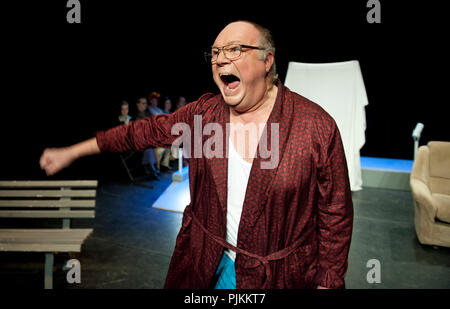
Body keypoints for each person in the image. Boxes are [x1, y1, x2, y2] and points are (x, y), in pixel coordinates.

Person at [39, 21, 353, 289]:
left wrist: (328, 281)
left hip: (276, 276)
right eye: (215, 53)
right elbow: (141, 132)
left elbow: (335, 214)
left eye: (234, 49)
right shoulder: (204, 114)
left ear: (267, 60)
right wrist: (73, 151)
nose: (219, 60)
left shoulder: (315, 126)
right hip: (203, 259)